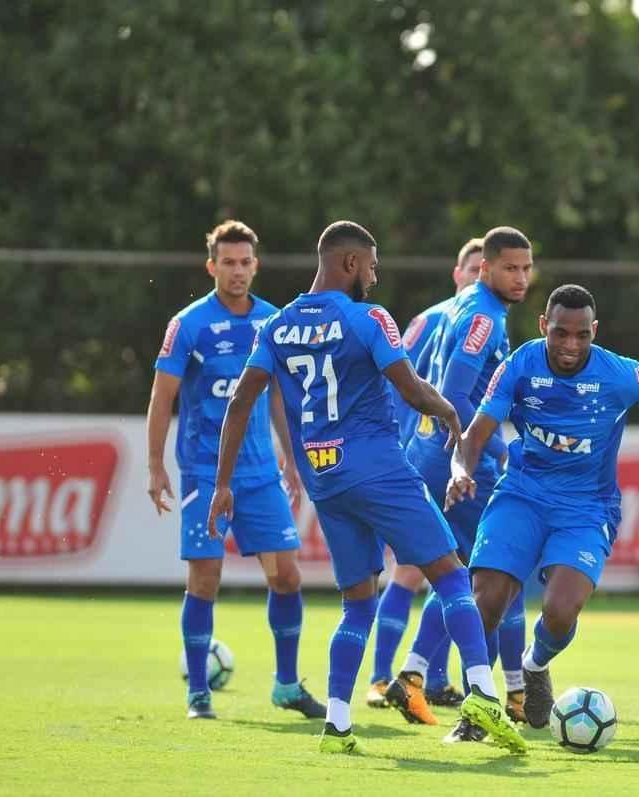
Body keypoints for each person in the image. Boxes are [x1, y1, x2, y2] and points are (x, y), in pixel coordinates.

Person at [208, 220, 526, 755]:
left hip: (326, 480)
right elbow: (410, 387)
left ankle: (337, 725)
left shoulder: (277, 326)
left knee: (357, 604)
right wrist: (450, 414)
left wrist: (223, 483)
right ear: (350, 263)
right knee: (452, 575)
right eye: (372, 266)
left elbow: (241, 403)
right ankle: (485, 696)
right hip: (380, 469)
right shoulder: (369, 317)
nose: (375, 277)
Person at [446, 283, 639, 738]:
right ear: (543, 327)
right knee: (486, 600)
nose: (571, 345)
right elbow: (475, 433)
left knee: (560, 610)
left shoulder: (620, 373)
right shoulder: (520, 365)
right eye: (560, 333)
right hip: (523, 494)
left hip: (587, 506)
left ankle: (534, 665)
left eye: (581, 335)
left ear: (594, 331)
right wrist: (459, 470)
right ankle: (476, 712)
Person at [146, 219, 324, 721]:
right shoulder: (189, 324)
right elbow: (162, 396)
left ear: (256, 265)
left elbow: (279, 398)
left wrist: (291, 454)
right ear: (212, 267)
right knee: (205, 578)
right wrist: (155, 465)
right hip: (205, 473)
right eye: (228, 262)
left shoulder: (273, 321)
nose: (238, 271)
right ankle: (198, 694)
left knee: (286, 576)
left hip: (261, 474)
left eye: (245, 262)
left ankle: (286, 685)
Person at [394, 227, 533, 740]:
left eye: (526, 268)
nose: (520, 278)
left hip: (431, 453)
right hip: (456, 461)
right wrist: (496, 451)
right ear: (486, 268)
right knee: (496, 576)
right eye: (510, 268)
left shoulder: (464, 306)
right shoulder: (483, 317)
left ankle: (414, 674)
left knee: (460, 575)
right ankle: (497, 697)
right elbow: (454, 395)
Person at [366, 237, 488, 713]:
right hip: (426, 454)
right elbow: (397, 381)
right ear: (458, 274)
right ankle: (383, 678)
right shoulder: (437, 319)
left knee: (452, 570)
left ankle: (432, 679)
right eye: (473, 269)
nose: (479, 278)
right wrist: (396, 444)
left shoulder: (474, 320)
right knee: (416, 569)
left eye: (484, 270)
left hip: (448, 456)